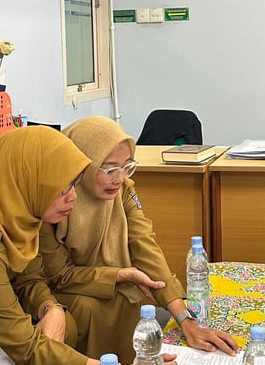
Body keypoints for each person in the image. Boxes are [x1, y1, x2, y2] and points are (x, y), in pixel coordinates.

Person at [0, 126, 179, 365]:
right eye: (61, 189)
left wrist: (51, 307)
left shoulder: (19, 219)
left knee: (63, 322)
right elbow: (24, 345)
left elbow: (29, 280)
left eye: (73, 184)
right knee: (33, 349)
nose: (73, 197)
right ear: (25, 181)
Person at [39, 116, 239, 364]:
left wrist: (185, 320)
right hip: (55, 292)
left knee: (125, 295)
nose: (119, 178)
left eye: (127, 166)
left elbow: (145, 245)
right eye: (109, 169)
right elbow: (58, 275)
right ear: (81, 165)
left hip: (102, 282)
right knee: (91, 305)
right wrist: (119, 275)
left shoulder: (122, 190)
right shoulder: (52, 199)